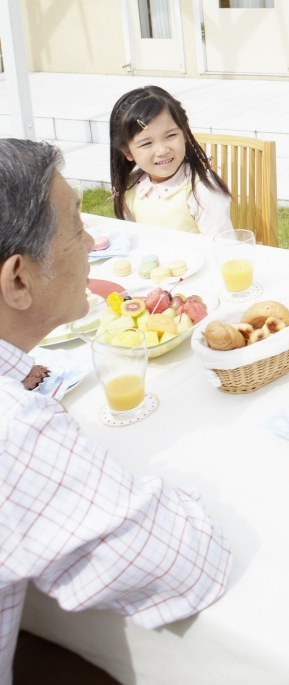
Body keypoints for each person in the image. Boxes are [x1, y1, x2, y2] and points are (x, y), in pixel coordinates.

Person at [0, 139, 232, 685]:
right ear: (18, 280)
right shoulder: (16, 432)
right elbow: (192, 565)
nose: (92, 242)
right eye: (78, 228)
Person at [110, 86, 233, 237]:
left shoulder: (202, 191)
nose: (162, 151)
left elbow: (223, 247)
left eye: (170, 136)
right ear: (127, 152)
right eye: (146, 143)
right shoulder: (130, 188)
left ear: (184, 132)